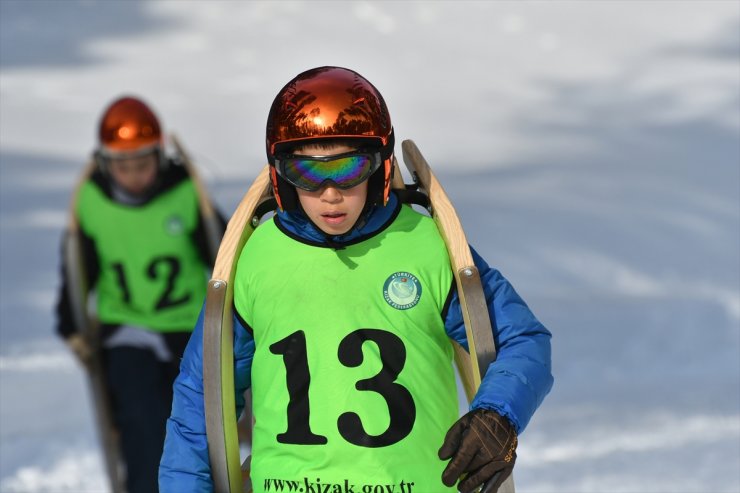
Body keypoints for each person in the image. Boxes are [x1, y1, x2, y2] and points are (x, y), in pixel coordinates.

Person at [160, 67, 553, 493]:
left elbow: (523, 339)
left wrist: (497, 415)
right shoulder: (256, 257)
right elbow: (200, 401)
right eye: (308, 173)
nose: (330, 194)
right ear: (282, 175)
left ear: (379, 166)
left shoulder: (427, 246)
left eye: (348, 169)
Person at [55, 95, 225, 493]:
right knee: (141, 422)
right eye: (122, 166)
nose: (133, 176)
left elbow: (222, 255)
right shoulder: (93, 201)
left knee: (195, 424)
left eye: (142, 165)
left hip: (188, 328)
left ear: (159, 157)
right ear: (104, 163)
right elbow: (79, 267)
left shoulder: (184, 192)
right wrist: (70, 324)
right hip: (128, 328)